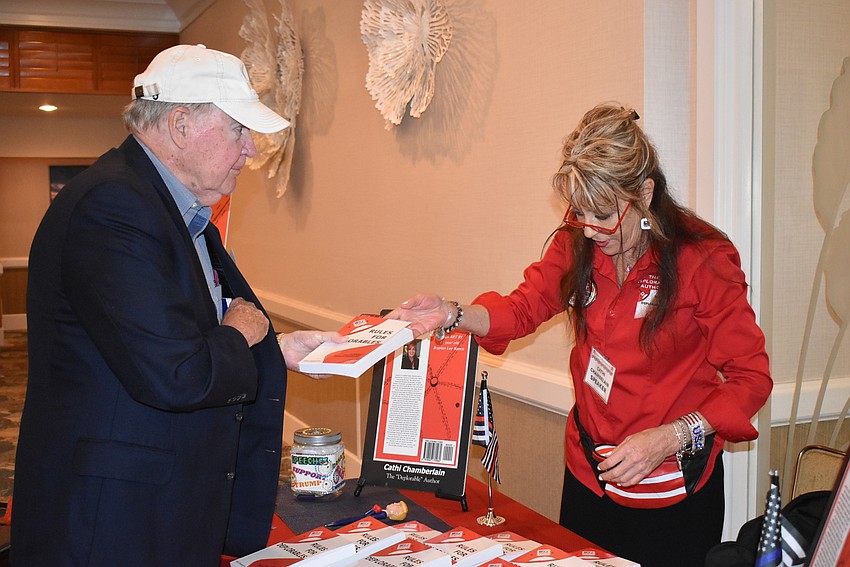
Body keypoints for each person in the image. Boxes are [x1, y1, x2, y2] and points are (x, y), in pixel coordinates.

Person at [390, 103, 773, 567]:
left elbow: (751, 378)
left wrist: (671, 437)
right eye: (580, 213)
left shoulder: (703, 259)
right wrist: (451, 313)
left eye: (605, 215)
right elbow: (521, 308)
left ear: (645, 193)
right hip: (590, 476)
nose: (591, 230)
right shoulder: (579, 240)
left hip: (673, 490)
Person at [12, 44, 343, 566]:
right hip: (114, 523)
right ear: (181, 124)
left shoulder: (165, 206)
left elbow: (168, 335)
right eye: (239, 129)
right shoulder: (113, 207)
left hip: (156, 508)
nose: (251, 149)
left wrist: (274, 349)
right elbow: (177, 372)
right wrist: (239, 334)